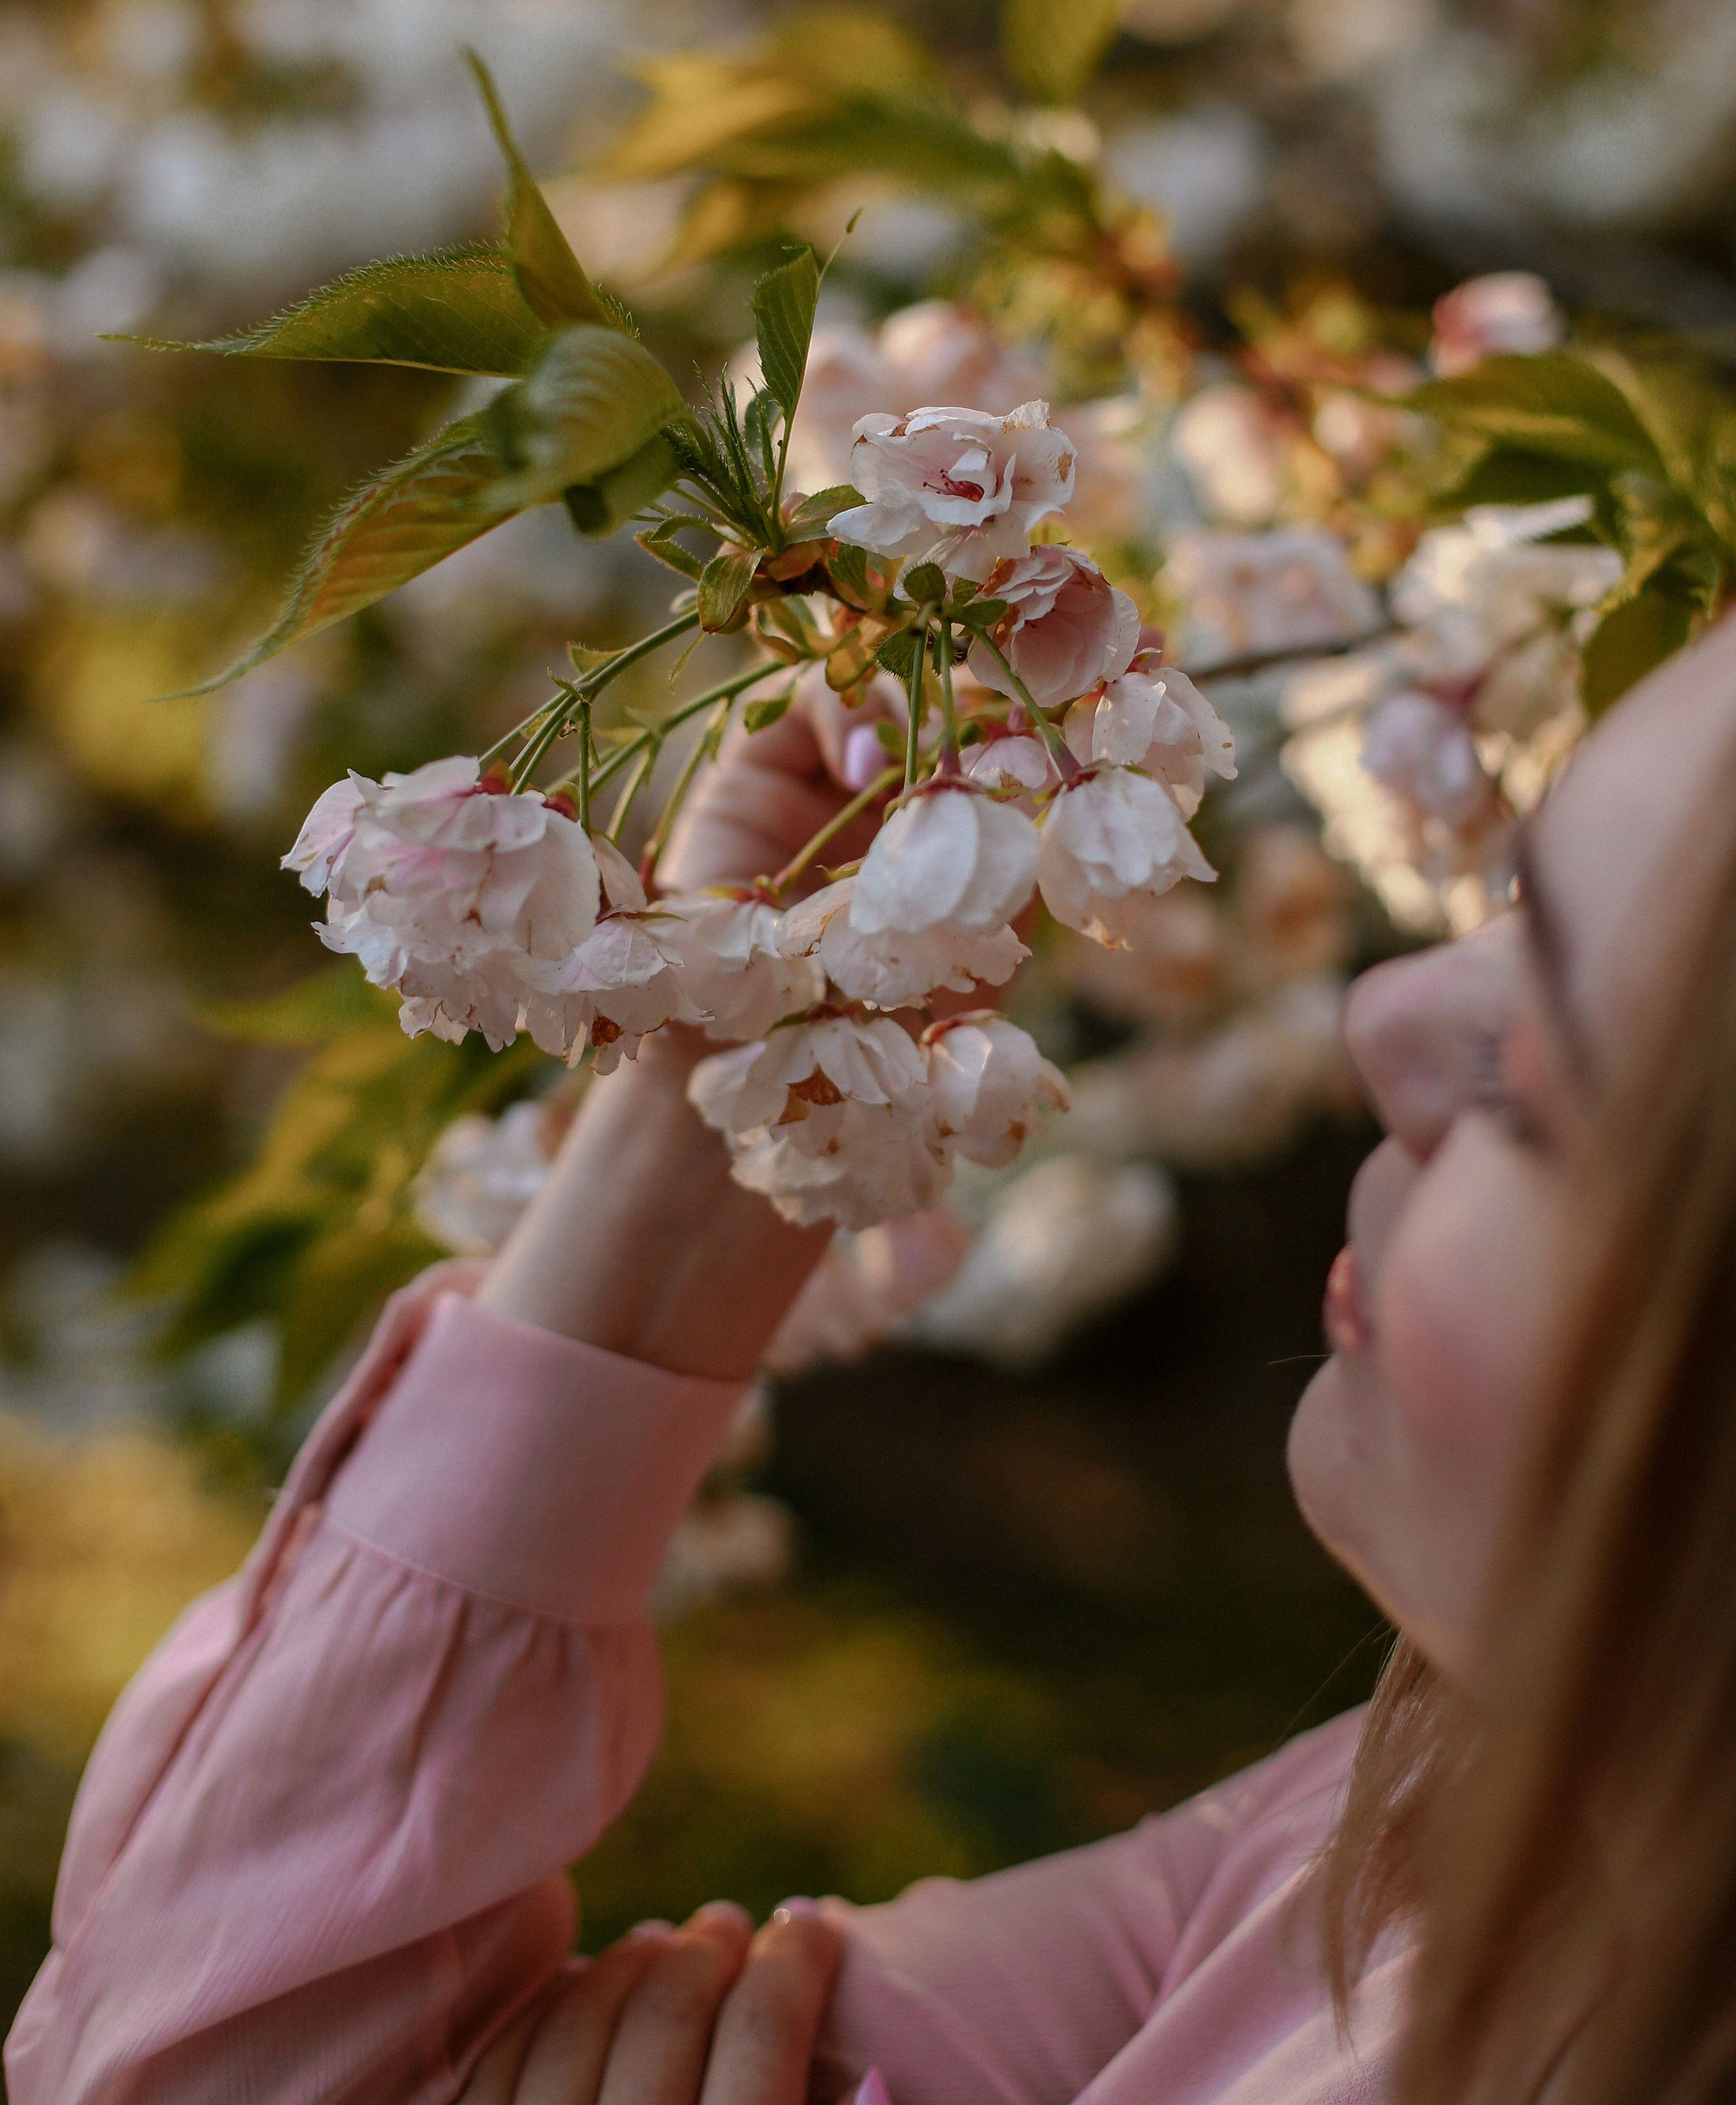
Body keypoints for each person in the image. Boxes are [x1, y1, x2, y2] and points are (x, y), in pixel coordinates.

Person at [9, 616, 1736, 2105]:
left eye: (1532, 1077)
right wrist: (697, 1150)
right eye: (1511, 894)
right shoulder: (1416, 1851)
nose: (1380, 1017)